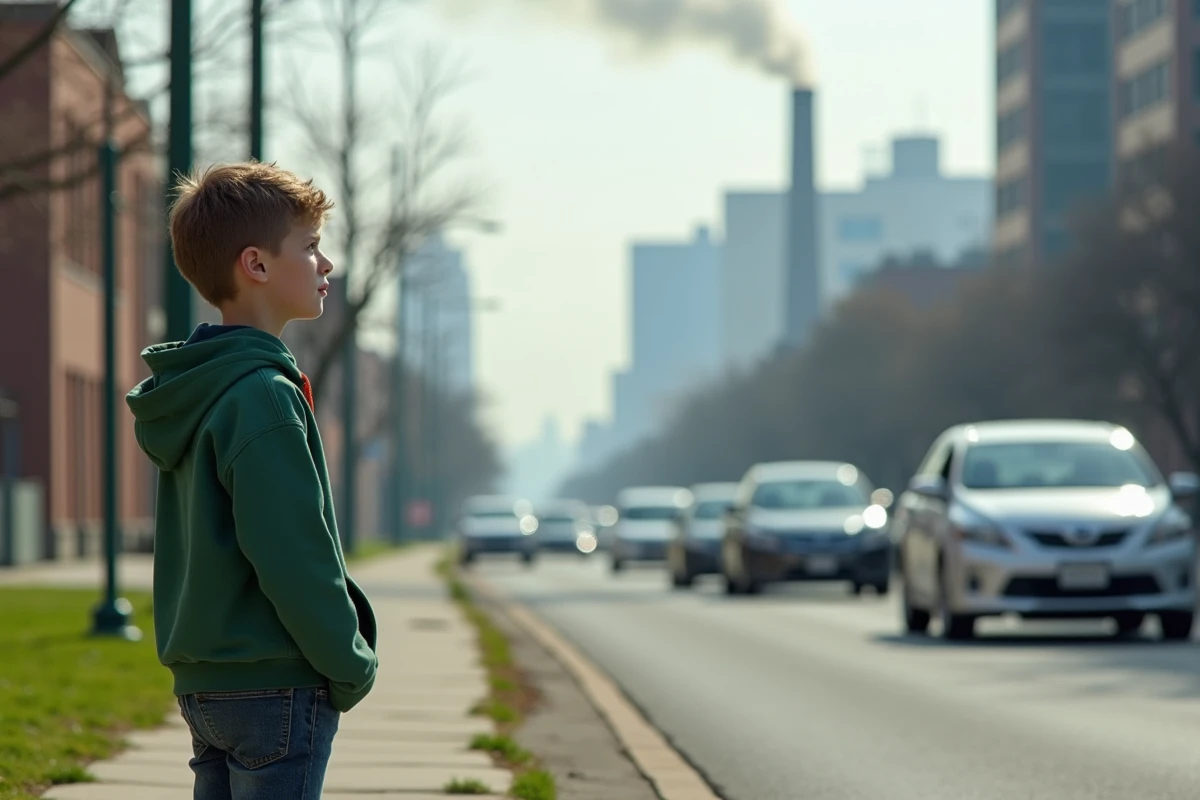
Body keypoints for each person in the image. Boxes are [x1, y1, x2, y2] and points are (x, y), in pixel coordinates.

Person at [126, 162, 378, 800]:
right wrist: (348, 662)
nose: (327, 266)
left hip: (208, 684)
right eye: (311, 247)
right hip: (278, 684)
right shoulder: (263, 396)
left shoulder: (197, 389)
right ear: (256, 265)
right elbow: (293, 553)